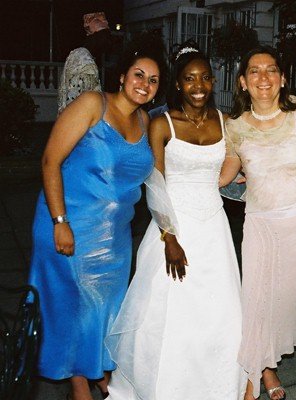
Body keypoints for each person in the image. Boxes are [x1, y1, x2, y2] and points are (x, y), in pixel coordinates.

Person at [27, 37, 164, 400]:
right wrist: (60, 221)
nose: (145, 84)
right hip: (71, 225)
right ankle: (80, 386)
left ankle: (97, 372)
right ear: (122, 76)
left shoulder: (145, 120)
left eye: (153, 80)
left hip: (115, 238)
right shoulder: (92, 104)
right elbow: (50, 161)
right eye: (139, 74)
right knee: (77, 308)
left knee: (106, 310)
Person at [105, 44, 245, 399]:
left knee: (217, 312)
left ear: (213, 81)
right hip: (173, 226)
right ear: (179, 84)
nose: (198, 85)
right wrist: (169, 236)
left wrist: (239, 178)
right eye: (189, 78)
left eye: (205, 77)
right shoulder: (161, 124)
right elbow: (155, 182)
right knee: (171, 315)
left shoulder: (226, 122)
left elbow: (233, 165)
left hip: (214, 229)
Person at [221, 45, 296, 400]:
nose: (263, 77)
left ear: (281, 78)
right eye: (254, 71)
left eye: (271, 70)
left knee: (287, 304)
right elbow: (225, 175)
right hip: (261, 225)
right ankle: (255, 378)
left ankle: (265, 364)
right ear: (243, 82)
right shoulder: (234, 126)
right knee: (257, 303)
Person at [57, 12, 112, 114]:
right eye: (104, 35)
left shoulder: (77, 54)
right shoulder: (85, 60)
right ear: (95, 36)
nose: (108, 41)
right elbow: (82, 102)